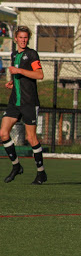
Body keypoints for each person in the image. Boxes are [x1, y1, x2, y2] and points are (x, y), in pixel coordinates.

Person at [1, 26, 47, 185]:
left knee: (31, 138)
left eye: (25, 37)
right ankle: (16, 166)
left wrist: (19, 71)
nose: (23, 40)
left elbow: (39, 75)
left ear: (28, 39)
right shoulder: (14, 54)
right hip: (15, 101)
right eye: (20, 37)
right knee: (3, 133)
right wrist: (13, 83)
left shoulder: (32, 54)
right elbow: (19, 76)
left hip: (29, 102)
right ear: (15, 39)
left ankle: (41, 173)